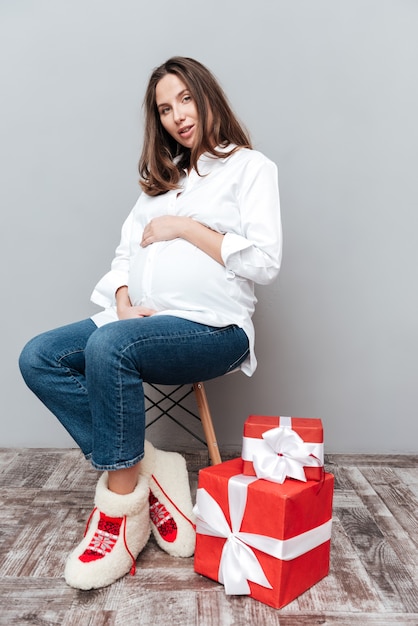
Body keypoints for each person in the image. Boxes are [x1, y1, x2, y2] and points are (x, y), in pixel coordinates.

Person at [19, 56, 282, 590]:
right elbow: (122, 257)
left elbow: (264, 262)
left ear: (207, 97)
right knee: (39, 356)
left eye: (185, 99)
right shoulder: (159, 187)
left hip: (214, 329)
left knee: (110, 348)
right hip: (135, 323)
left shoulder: (252, 169)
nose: (178, 116)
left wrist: (184, 227)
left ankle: (121, 515)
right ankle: (149, 466)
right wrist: (120, 298)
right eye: (165, 109)